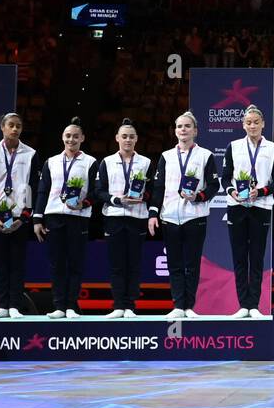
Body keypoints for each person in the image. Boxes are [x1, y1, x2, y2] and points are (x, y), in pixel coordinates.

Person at [147, 111, 220, 318]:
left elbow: (214, 185)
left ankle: (189, 307)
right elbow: (158, 187)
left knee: (192, 264)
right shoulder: (166, 157)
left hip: (195, 217)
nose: (183, 130)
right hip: (169, 217)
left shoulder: (205, 155)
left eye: (187, 126)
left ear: (195, 131)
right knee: (175, 264)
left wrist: (198, 197)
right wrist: (153, 213)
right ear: (175, 131)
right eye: (180, 126)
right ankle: (178, 305)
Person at [221, 105, 274, 318]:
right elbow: (224, 177)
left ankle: (254, 306)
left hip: (261, 207)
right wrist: (232, 192)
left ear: (263, 124)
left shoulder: (273, 149)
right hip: (236, 206)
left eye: (256, 122)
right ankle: (243, 306)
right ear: (243, 125)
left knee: (256, 257)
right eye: (248, 122)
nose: (252, 126)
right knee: (239, 257)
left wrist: (262, 191)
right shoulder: (233, 146)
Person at [33, 118, 99, 318]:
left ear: (82, 138)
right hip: (54, 216)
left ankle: (71, 305)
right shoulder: (51, 162)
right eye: (68, 136)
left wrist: (83, 204)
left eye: (75, 136)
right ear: (62, 138)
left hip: (78, 217)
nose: (71, 139)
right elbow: (42, 191)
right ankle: (59, 306)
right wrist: (37, 219)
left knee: (75, 262)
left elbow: (96, 192)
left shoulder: (91, 162)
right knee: (57, 263)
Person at [0, 112, 36, 318]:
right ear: (2, 127)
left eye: (18, 126)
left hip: (20, 217)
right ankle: (3, 305)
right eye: (11, 125)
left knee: (17, 262)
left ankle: (15, 305)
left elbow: (33, 187)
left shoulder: (30, 154)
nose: (15, 129)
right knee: (1, 261)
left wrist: (24, 217)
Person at [94, 118, 152, 318]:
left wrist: (142, 197)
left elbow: (153, 191)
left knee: (134, 263)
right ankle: (118, 305)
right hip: (114, 217)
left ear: (136, 139)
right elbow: (99, 191)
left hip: (137, 218)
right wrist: (116, 200)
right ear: (117, 138)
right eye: (124, 136)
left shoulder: (146, 162)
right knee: (117, 263)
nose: (128, 140)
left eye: (131, 136)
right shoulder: (107, 162)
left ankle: (130, 306)